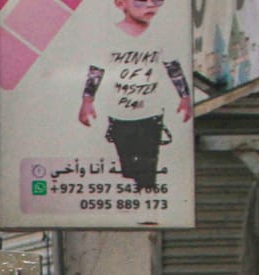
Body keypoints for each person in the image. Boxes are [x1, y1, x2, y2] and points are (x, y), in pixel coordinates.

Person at [76, 0, 193, 191]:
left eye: (156, 1)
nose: (149, 6)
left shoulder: (161, 35)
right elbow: (96, 70)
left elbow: (173, 68)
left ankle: (148, 204)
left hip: (151, 114)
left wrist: (185, 98)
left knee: (147, 171)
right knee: (128, 170)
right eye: (139, 2)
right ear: (121, 4)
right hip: (120, 114)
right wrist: (87, 100)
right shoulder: (109, 36)